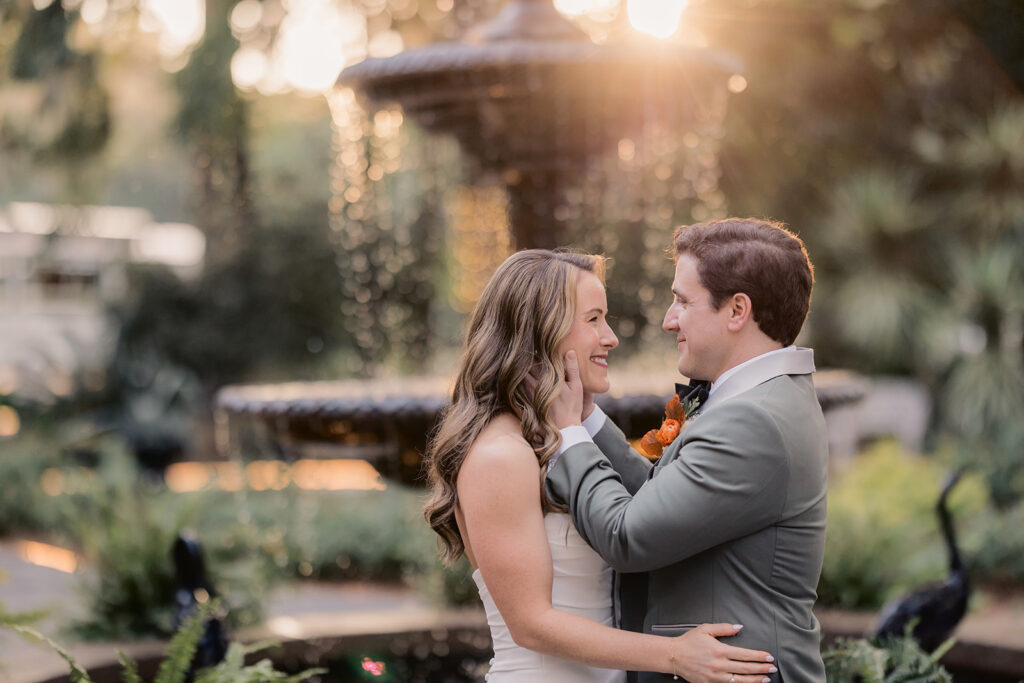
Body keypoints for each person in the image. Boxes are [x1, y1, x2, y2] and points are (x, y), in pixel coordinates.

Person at [423, 249, 780, 682]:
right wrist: (675, 655)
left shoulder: (551, 441)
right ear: (541, 331)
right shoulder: (502, 454)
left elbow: (643, 511)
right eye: (594, 320)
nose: (610, 337)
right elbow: (531, 624)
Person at [546, 219, 828, 683]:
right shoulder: (763, 400)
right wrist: (588, 418)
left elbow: (627, 535)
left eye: (682, 300)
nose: (668, 319)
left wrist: (567, 433)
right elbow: (661, 500)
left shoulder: (752, 419)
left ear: (737, 310)